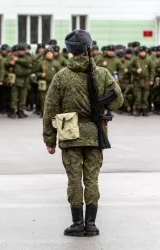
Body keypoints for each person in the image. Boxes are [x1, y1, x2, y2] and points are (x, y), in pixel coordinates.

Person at [42, 30, 123, 237]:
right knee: (92, 179)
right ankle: (92, 223)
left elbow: (50, 109)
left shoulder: (61, 76)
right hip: (95, 133)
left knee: (74, 180)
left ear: (69, 51)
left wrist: (50, 139)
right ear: (89, 48)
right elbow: (117, 101)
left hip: (70, 134)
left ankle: (77, 223)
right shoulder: (103, 74)